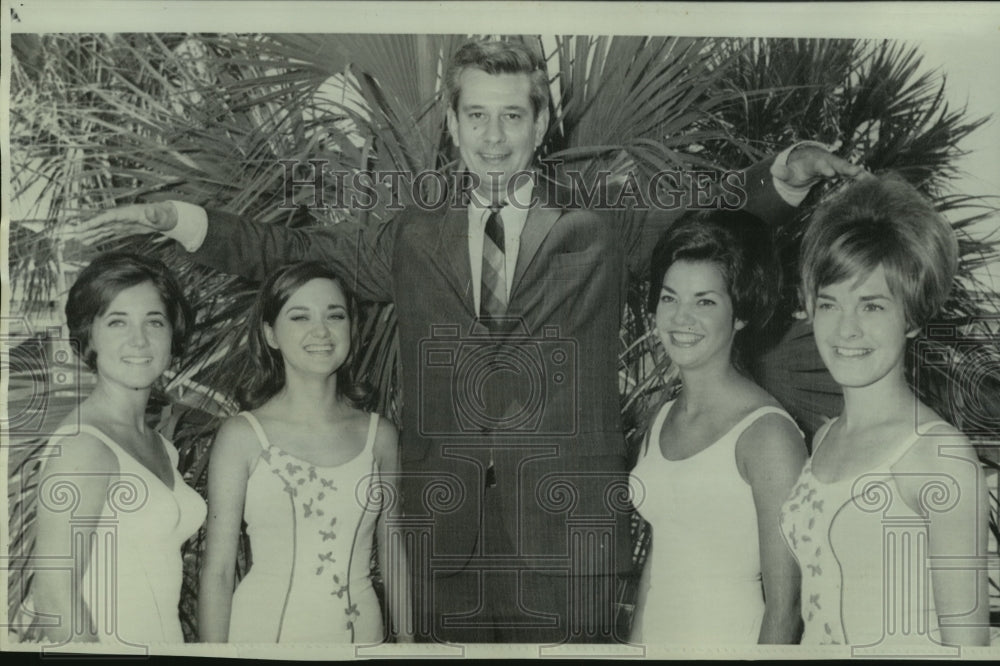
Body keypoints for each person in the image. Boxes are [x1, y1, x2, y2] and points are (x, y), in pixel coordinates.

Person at [77, 39, 862, 643]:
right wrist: (179, 222)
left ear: (541, 124)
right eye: (476, 116)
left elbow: (703, 232)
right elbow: (290, 252)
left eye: (512, 115)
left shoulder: (596, 230)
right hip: (440, 539)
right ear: (452, 124)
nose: (493, 138)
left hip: (567, 542)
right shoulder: (412, 237)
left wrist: (782, 178)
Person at [780, 174, 990, 647]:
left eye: (871, 306)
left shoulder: (941, 457)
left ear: (912, 316)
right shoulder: (824, 438)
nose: (845, 329)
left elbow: (968, 648)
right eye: (830, 304)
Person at [198, 261, 411, 644]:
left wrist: (410, 645)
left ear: (351, 329)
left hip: (362, 641)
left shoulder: (381, 436)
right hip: (263, 640)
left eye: (335, 315)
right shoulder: (242, 436)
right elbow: (218, 569)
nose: (321, 331)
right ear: (270, 334)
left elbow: (393, 549)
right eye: (299, 317)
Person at [629, 211, 807, 644]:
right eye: (670, 298)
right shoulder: (662, 417)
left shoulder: (767, 436)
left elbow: (787, 612)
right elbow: (660, 558)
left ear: (740, 314)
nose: (680, 318)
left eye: (704, 301)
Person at [25, 252, 206, 644]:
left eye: (153, 322)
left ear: (172, 335)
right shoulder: (82, 447)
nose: (139, 340)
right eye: (118, 321)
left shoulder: (159, 445)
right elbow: (54, 599)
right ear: (89, 334)